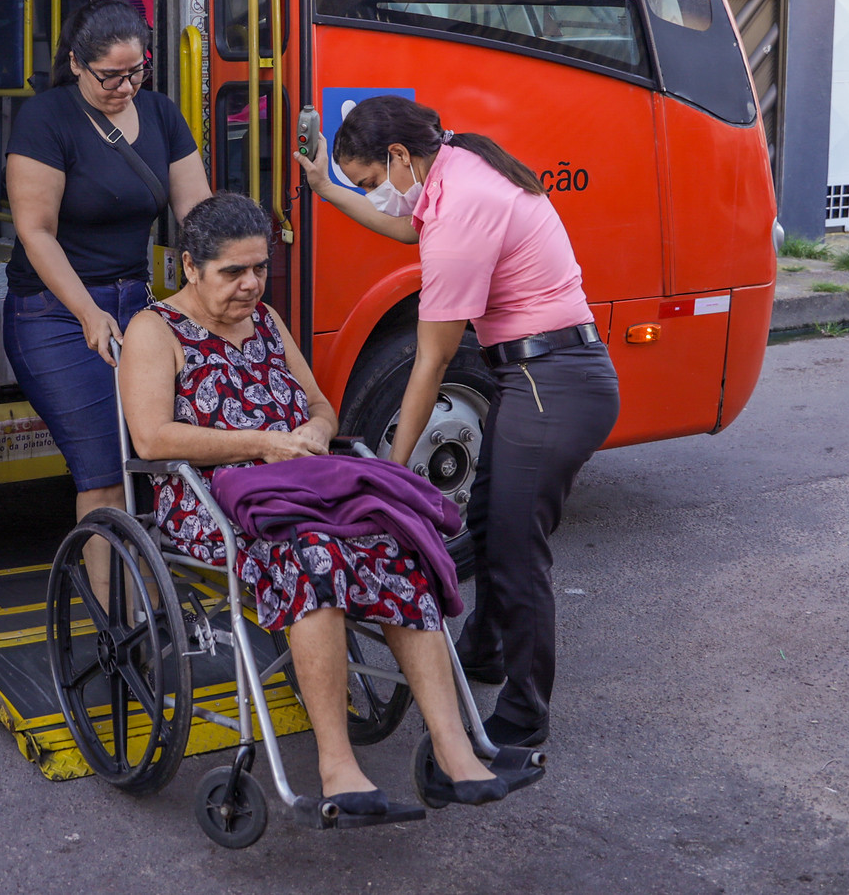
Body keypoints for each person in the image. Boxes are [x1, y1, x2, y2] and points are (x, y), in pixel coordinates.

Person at [119, 193, 544, 818]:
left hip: (302, 486)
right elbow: (153, 438)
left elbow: (320, 406)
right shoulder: (155, 331)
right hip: (212, 500)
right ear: (190, 267)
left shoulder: (265, 322)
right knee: (311, 557)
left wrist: (315, 432)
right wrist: (263, 442)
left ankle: (455, 750)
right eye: (233, 272)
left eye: (259, 268)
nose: (250, 285)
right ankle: (337, 769)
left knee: (397, 546)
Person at [295, 96, 620, 748]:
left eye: (368, 182)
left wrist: (391, 469)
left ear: (398, 157)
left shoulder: (463, 204)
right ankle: (482, 653)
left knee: (515, 555)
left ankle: (523, 722)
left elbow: (433, 360)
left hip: (550, 381)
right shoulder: (454, 165)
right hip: (542, 375)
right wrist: (327, 188)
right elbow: (410, 228)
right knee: (491, 527)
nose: (374, 195)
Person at [4, 0, 208, 592]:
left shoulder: (161, 114)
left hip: (135, 305)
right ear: (76, 65)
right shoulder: (46, 119)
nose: (126, 86)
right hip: (56, 313)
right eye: (110, 77)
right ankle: (116, 621)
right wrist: (88, 313)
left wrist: (219, 283)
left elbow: (196, 213)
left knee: (156, 453)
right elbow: (35, 230)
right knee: (103, 470)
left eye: (137, 72)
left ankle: (148, 585)